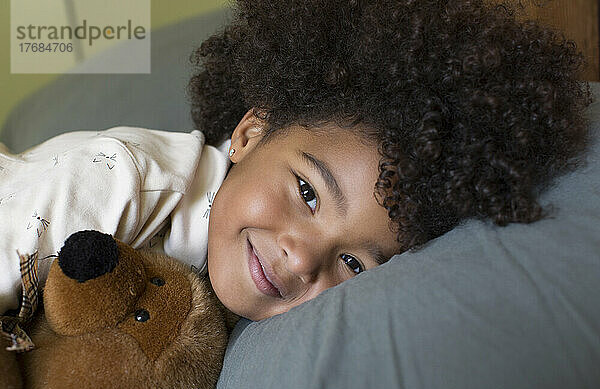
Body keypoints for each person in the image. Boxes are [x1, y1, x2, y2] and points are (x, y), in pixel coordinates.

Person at [0, 0, 592, 321]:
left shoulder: (216, 292)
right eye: (308, 192)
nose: (305, 257)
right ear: (250, 134)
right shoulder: (127, 184)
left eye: (355, 265)